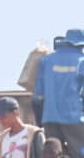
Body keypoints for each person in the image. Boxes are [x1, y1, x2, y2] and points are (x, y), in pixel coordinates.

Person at [33, 30, 84, 158]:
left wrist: (40, 120)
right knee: (80, 153)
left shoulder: (46, 60)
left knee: (53, 153)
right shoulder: (81, 61)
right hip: (74, 117)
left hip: (50, 116)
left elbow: (38, 97)